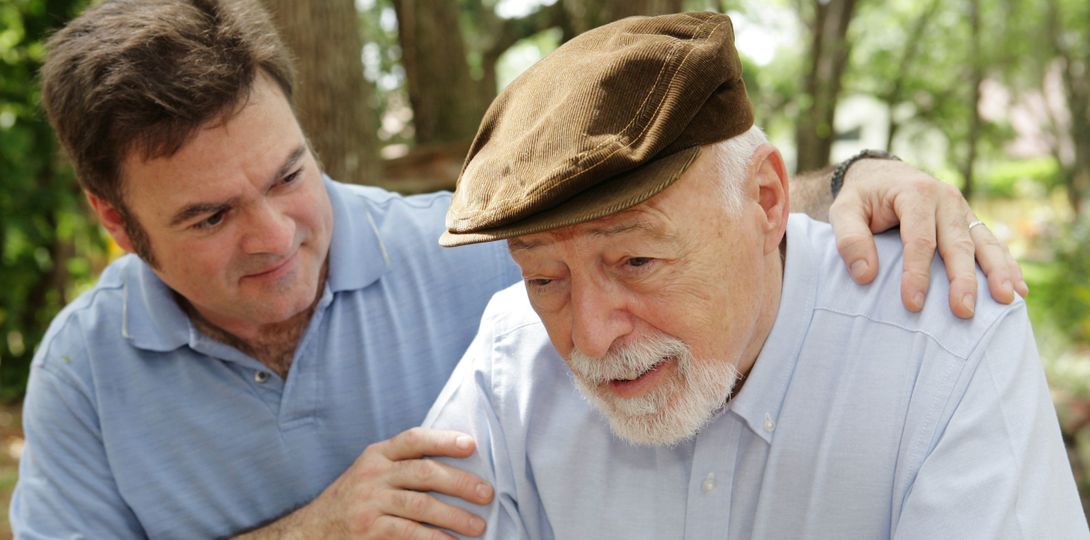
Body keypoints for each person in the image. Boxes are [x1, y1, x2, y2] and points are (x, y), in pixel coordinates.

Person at [11, 1, 1027, 538]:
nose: (275, 234)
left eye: (290, 175)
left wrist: (870, 175)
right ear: (116, 221)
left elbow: (697, 206)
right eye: (209, 215)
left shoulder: (456, 265)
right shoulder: (83, 378)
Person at [424, 12, 1088, 539]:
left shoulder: (943, 343)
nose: (592, 339)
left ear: (767, 200)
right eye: (544, 279)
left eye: (636, 262)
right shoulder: (508, 363)